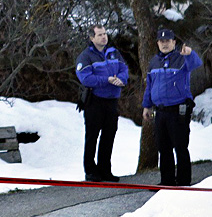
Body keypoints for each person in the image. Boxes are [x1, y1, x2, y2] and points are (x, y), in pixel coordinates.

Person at [142, 28, 203, 186]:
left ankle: (183, 181)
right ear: (157, 43)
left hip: (178, 110)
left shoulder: (182, 58)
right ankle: (167, 181)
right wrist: (146, 106)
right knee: (164, 148)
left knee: (180, 147)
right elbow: (149, 85)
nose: (164, 44)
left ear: (174, 42)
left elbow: (196, 64)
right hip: (160, 111)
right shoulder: (154, 62)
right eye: (161, 42)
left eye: (168, 41)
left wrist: (190, 53)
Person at [75, 24, 128, 182]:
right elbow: (85, 78)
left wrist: (122, 79)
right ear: (92, 38)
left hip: (112, 101)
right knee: (92, 136)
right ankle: (90, 171)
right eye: (100, 35)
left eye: (105, 34)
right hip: (95, 101)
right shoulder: (86, 56)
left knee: (109, 135)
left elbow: (124, 68)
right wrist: (106, 80)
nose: (104, 37)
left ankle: (105, 170)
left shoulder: (113, 52)